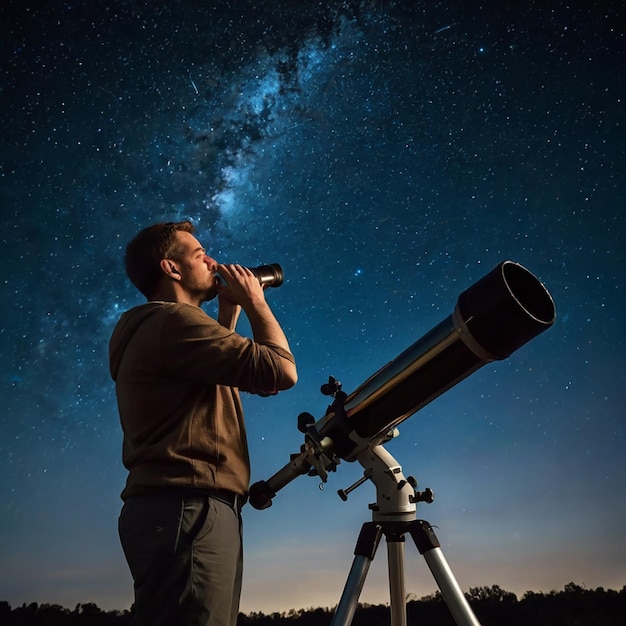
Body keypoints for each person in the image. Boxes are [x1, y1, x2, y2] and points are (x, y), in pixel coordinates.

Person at [109, 220, 297, 626]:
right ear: (171, 269)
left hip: (179, 507)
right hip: (189, 506)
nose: (213, 261)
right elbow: (280, 371)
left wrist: (227, 313)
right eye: (200, 255)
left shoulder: (162, 328)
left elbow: (218, 374)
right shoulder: (173, 322)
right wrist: (254, 302)